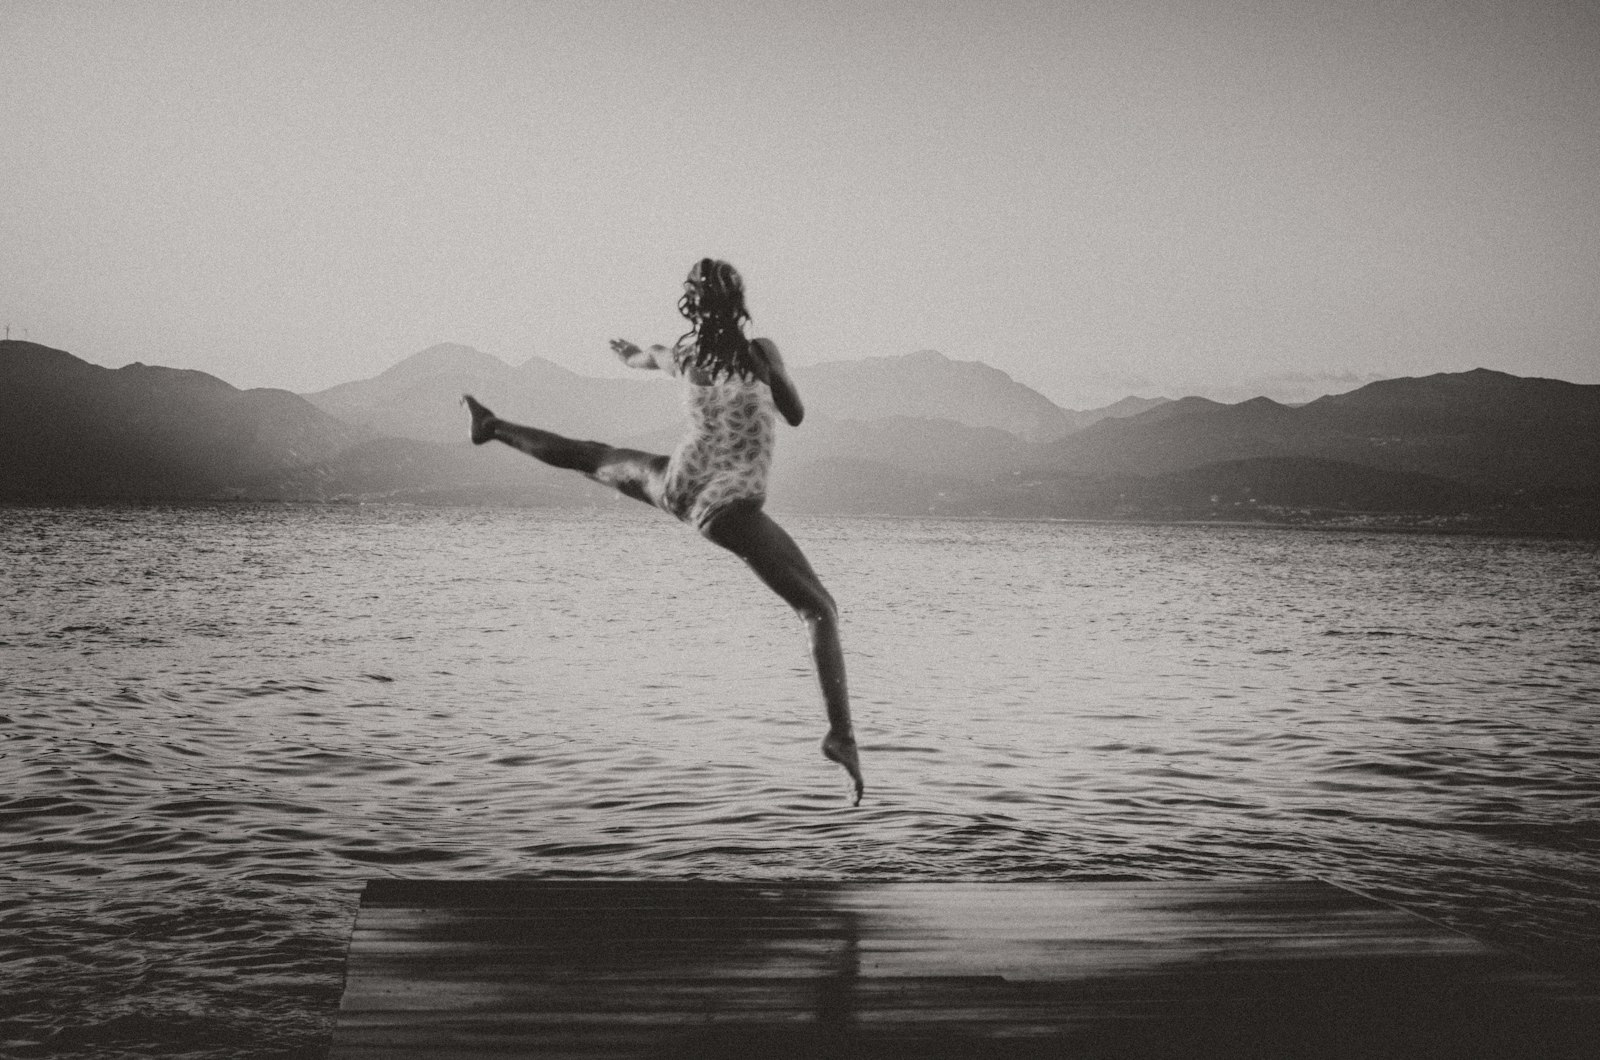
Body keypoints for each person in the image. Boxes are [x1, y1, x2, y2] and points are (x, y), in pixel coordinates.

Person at [462, 258, 864, 804]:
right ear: (739, 303)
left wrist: (631, 356)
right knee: (819, 609)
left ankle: (494, 426)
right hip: (732, 504)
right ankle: (840, 735)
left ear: (691, 307)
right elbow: (793, 413)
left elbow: (645, 356)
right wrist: (773, 374)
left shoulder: (685, 356)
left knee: (594, 455)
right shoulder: (760, 353)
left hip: (680, 480)